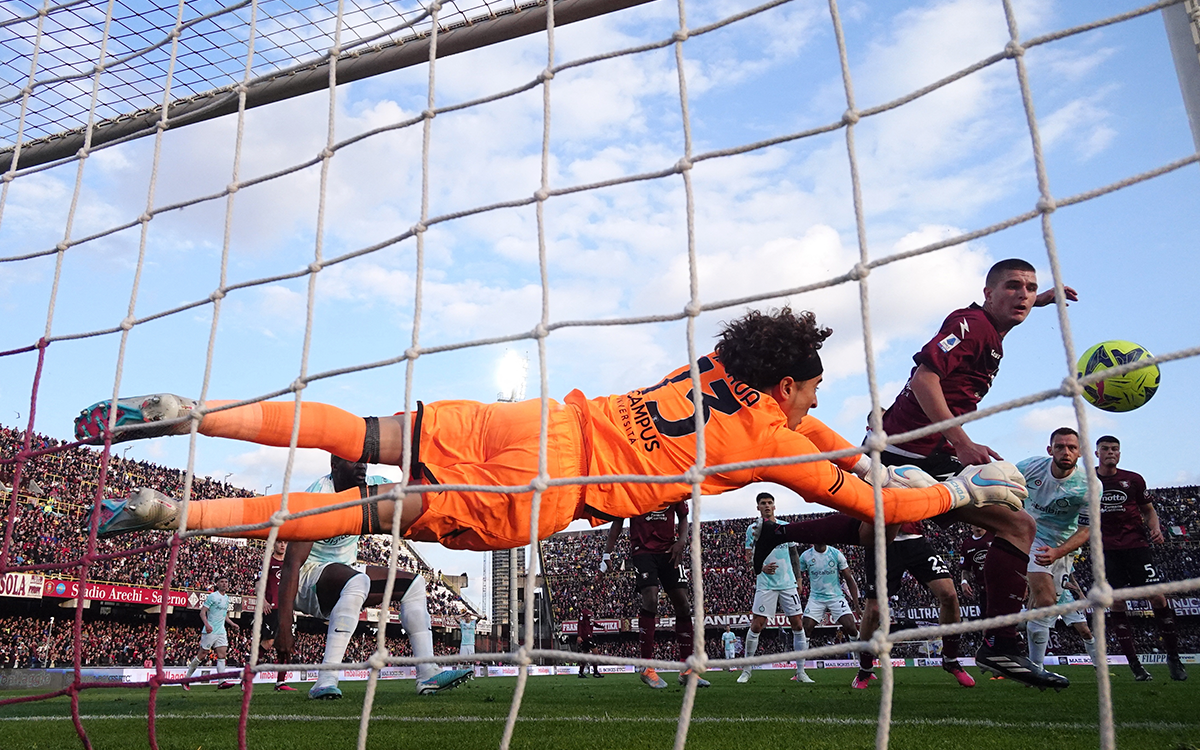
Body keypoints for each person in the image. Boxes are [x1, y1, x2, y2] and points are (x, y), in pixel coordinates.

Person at [84, 308, 1025, 555]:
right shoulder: (772, 443)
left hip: (538, 420)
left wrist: (843, 439)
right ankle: (175, 517)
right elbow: (869, 504)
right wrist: (962, 493)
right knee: (371, 515)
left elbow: (813, 426)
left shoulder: (706, 371)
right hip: (549, 493)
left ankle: (193, 413)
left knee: (362, 428)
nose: (807, 410)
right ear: (783, 384)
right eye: (804, 394)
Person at [757, 259, 1072, 688]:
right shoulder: (972, 324)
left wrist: (1040, 302)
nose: (1023, 294)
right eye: (1013, 287)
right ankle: (788, 534)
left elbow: (1008, 309)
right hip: (904, 453)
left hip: (929, 453)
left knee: (1018, 525)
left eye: (1031, 288)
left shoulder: (990, 329)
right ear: (987, 292)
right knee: (880, 537)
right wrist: (962, 442)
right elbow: (926, 378)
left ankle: (1000, 643)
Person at [274, 456, 471, 699]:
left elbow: (414, 500)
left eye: (364, 461)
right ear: (334, 466)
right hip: (308, 578)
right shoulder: (318, 497)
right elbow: (292, 564)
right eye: (352, 461)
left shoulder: (373, 488)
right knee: (358, 581)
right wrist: (284, 625)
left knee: (414, 584)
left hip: (345, 572)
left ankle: (427, 672)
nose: (362, 465)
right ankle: (325, 679)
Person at [1094, 435, 1186, 681]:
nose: (1110, 452)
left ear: (1120, 454)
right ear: (1097, 453)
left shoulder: (1133, 479)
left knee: (1157, 596)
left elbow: (1148, 510)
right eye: (1105, 449)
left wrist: (1155, 527)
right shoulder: (1088, 480)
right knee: (1116, 602)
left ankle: (1174, 657)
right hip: (1105, 550)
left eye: (1115, 449)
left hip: (1136, 546)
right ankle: (1134, 665)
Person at [602, 502, 707, 688]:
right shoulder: (634, 487)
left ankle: (687, 669)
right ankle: (647, 667)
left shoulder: (673, 486)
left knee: (683, 604)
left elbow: (683, 516)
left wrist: (681, 541)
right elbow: (618, 520)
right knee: (650, 598)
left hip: (669, 550)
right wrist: (607, 554)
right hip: (643, 552)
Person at [1015, 427, 1089, 688]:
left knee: (1045, 608)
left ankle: (1033, 663)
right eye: (1060, 446)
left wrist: (1059, 552)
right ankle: (1036, 670)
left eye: (1071, 447)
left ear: (1080, 452)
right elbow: (1004, 486)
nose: (1065, 451)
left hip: (1063, 547)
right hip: (1031, 536)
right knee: (1046, 600)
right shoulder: (1030, 467)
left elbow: (1086, 530)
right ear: (1050, 450)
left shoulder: (1089, 485)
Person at [739, 492, 812, 684]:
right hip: (765, 584)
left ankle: (801, 672)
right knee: (757, 624)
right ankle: (746, 670)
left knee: (797, 623)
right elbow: (748, 556)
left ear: (774, 506)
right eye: (763, 503)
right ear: (758, 507)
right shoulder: (753, 529)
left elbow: (794, 554)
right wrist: (761, 567)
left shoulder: (784, 526)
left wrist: (799, 579)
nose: (767, 506)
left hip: (788, 583)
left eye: (770, 503)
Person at [798, 541, 859, 669]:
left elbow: (849, 579)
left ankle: (862, 665)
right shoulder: (805, 556)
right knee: (806, 628)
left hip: (835, 597)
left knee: (851, 627)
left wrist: (856, 605)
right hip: (816, 598)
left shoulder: (836, 554)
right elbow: (797, 576)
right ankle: (800, 670)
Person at [183, 575, 239, 690]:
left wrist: (232, 623)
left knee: (222, 655)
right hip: (210, 630)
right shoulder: (212, 596)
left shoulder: (227, 598)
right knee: (202, 655)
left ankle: (221, 681)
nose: (224, 584)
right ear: (217, 584)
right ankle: (186, 679)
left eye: (226, 582)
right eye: (222, 582)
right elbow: (202, 612)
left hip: (221, 631)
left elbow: (224, 615)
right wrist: (207, 624)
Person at [255, 539, 297, 691]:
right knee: (268, 642)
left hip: (286, 609)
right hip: (271, 608)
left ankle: (280, 682)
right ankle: (248, 677)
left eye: (286, 542)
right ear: (274, 544)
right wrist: (264, 601)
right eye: (280, 542)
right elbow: (258, 584)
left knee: (286, 646)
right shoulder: (268, 561)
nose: (283, 545)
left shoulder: (290, 563)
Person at [575, 607, 602, 679]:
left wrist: (601, 627)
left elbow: (593, 623)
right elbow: (580, 624)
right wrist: (579, 636)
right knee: (595, 653)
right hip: (586, 636)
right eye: (589, 601)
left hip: (589, 635)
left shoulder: (591, 613)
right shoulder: (583, 612)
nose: (590, 602)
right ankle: (595, 672)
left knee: (585, 655)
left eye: (591, 601)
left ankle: (580, 673)